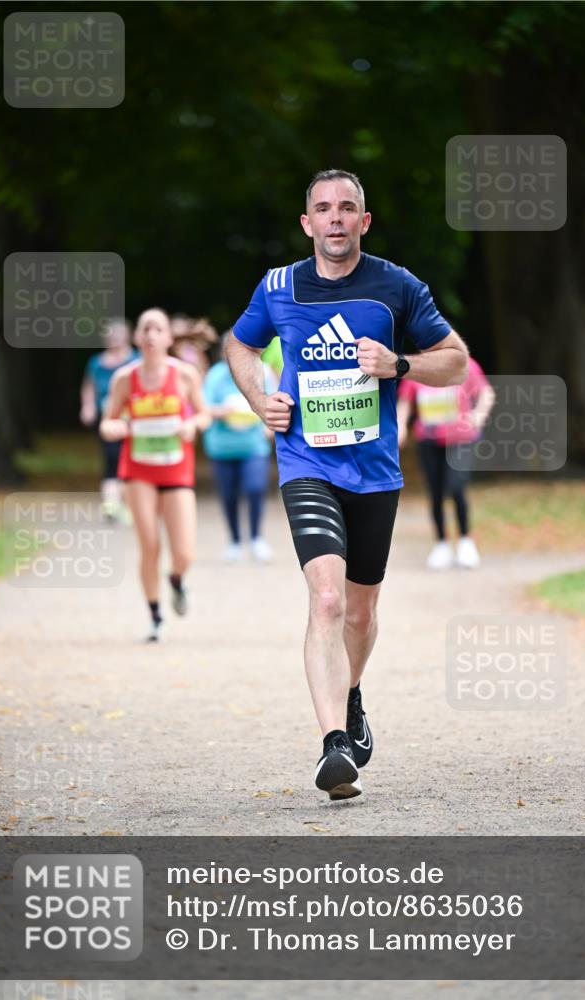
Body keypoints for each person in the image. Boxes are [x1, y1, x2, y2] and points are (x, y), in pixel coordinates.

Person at [226, 169, 469, 800]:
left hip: (375, 471)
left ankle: (352, 694)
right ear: (307, 223)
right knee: (327, 600)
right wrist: (259, 401)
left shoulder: (396, 286)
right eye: (323, 209)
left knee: (361, 610)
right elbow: (239, 346)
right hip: (306, 461)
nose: (336, 218)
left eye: (348, 208)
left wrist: (401, 363)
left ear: (364, 221)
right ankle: (334, 744)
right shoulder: (278, 287)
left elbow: (457, 360)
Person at [100, 308, 211, 642]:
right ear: (137, 337)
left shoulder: (185, 375)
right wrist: (116, 427)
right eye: (145, 328)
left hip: (176, 469)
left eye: (157, 329)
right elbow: (106, 423)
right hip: (138, 471)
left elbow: (204, 414)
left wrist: (192, 424)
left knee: (184, 553)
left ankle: (176, 581)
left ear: (167, 338)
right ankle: (155, 616)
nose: (150, 335)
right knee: (149, 545)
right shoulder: (124, 378)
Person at [397, 358, 496, 569]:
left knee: (456, 486)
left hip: (461, 438)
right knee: (435, 492)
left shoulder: (464, 364)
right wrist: (401, 427)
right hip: (429, 440)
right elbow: (405, 401)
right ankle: (441, 544)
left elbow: (486, 393)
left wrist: (478, 415)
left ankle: (465, 541)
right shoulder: (418, 366)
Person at [203, 332, 277, 563]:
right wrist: (223, 411)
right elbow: (203, 408)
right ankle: (234, 541)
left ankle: (256, 538)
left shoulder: (263, 372)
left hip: (253, 445)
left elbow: (277, 401)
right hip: (222, 447)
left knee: (255, 488)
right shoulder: (215, 375)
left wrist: (270, 427)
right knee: (228, 495)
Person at [79, 318, 138, 521]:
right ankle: (111, 506)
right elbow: (89, 386)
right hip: (108, 418)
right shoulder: (96, 362)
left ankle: (130, 505)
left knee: (131, 459)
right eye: (110, 335)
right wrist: (87, 407)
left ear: (128, 336)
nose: (113, 339)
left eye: (118, 334)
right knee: (111, 460)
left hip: (134, 419)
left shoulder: (136, 360)